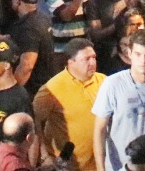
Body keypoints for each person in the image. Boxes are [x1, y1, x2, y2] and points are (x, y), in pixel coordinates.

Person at [92, 30, 145, 171]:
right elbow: (99, 130)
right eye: (138, 54)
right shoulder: (112, 84)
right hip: (120, 165)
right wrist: (100, 168)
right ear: (129, 53)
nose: (143, 61)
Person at [33, 39, 104, 171]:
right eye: (86, 59)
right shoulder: (52, 89)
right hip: (68, 166)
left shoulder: (104, 82)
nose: (92, 63)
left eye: (94, 57)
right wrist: (44, 155)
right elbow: (35, 120)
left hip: (100, 164)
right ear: (71, 62)